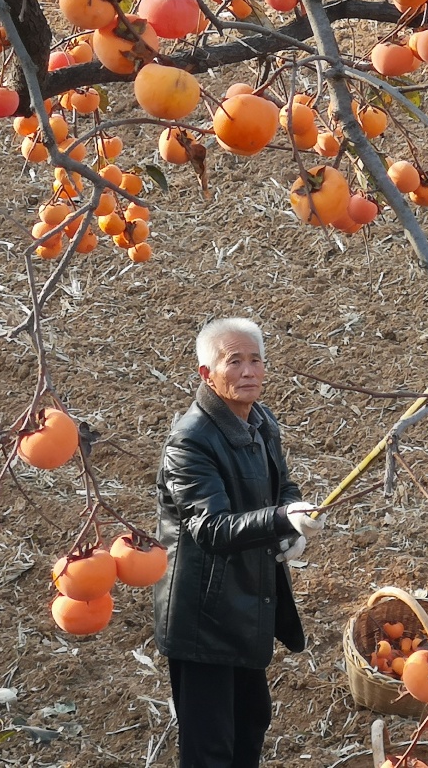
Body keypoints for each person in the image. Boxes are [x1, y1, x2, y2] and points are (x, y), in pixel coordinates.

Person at [154, 317, 325, 767]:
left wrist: (290, 523)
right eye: (235, 361)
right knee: (210, 746)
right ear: (206, 374)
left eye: (256, 360)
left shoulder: (261, 421)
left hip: (248, 601)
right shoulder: (189, 442)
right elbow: (210, 528)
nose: (249, 371)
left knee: (251, 722)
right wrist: (278, 518)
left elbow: (281, 484)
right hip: (203, 615)